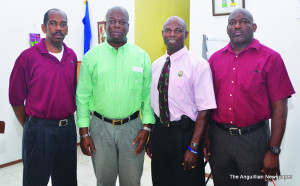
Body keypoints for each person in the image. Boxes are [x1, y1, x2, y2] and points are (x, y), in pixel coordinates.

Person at [205, 8, 295, 186]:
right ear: (227, 29)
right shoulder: (214, 59)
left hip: (253, 140)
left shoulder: (271, 58)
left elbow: (280, 109)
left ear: (254, 27)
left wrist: (274, 151)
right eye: (232, 22)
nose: (237, 26)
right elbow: (208, 103)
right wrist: (207, 137)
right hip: (219, 139)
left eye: (244, 21)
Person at [76, 6, 155, 186]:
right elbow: (82, 97)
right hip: (100, 128)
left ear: (128, 26)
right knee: (104, 181)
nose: (117, 25)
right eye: (112, 21)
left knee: (132, 181)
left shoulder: (141, 56)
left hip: (133, 129)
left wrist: (147, 129)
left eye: (122, 22)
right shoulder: (91, 57)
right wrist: (83, 133)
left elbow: (147, 97)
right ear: (105, 25)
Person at [9, 8, 77, 186]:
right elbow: (16, 99)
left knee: (67, 181)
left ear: (67, 29)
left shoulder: (72, 56)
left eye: (62, 24)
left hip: (67, 130)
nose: (58, 28)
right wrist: (33, 124)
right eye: (53, 23)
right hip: (39, 132)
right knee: (35, 181)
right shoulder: (28, 57)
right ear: (44, 28)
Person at [147, 16, 217, 186]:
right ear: (162, 34)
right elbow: (154, 104)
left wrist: (193, 146)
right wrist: (152, 137)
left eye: (177, 30)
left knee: (188, 182)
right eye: (168, 30)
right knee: (161, 180)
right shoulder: (156, 65)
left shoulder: (198, 65)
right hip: (161, 132)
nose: (172, 34)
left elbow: (204, 110)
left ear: (185, 34)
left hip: (185, 135)